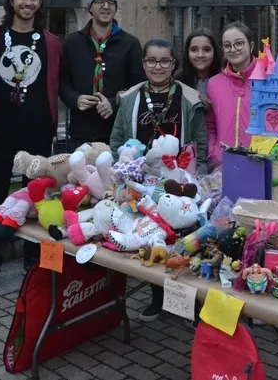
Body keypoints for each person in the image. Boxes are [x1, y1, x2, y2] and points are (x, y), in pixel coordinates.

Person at [109, 38, 208, 321]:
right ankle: (158, 297)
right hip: (143, 183)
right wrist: (126, 169)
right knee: (150, 236)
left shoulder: (188, 98)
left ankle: (190, 302)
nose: (158, 67)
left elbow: (200, 140)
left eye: (165, 61)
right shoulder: (130, 98)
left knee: (184, 238)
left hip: (179, 180)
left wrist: (195, 180)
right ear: (143, 64)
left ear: (174, 64)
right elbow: (117, 138)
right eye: (151, 61)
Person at [0, 0, 62, 293]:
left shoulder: (51, 42)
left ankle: (33, 259)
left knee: (38, 198)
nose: (28, 2)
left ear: (40, 3)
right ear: (11, 0)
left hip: (38, 133)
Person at [60, 0, 144, 149]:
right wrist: (75, 99)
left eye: (110, 3)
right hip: (81, 131)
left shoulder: (130, 44)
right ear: (90, 8)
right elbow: (62, 83)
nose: (106, 6)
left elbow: (139, 86)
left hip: (117, 131)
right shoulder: (72, 43)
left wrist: (113, 103)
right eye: (99, 2)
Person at [206, 22, 256, 167]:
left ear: (251, 46)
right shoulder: (214, 83)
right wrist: (214, 152)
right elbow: (210, 125)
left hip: (259, 162)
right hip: (223, 164)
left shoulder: (267, 79)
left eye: (239, 43)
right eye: (227, 45)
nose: (233, 49)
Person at [173, 28, 222, 113]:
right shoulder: (178, 80)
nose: (200, 55)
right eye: (194, 50)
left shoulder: (223, 79)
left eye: (206, 50)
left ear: (215, 52)